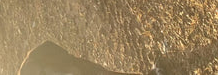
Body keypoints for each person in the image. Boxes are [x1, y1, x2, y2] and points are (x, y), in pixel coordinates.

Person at [18, 41, 164, 75]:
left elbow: (49, 45)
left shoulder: (31, 61)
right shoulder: (32, 60)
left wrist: (69, 60)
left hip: (79, 67)